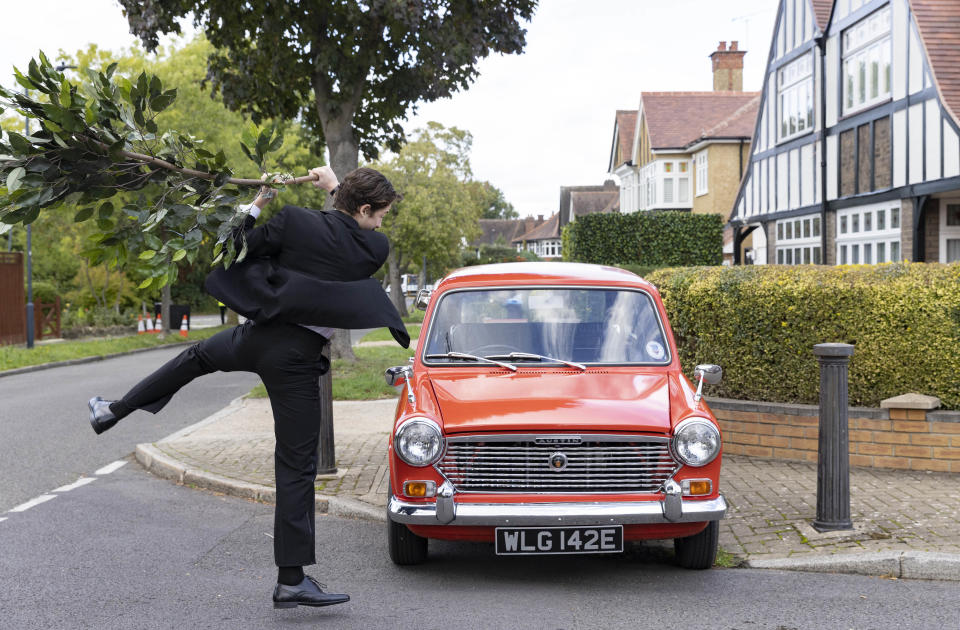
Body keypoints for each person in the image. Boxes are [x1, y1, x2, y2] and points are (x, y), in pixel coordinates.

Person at [87, 165, 408, 610]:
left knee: (197, 357)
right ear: (367, 209)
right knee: (295, 467)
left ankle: (112, 410)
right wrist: (335, 184)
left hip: (256, 337)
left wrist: (258, 201)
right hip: (294, 358)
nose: (380, 225)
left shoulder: (294, 221)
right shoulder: (373, 247)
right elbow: (349, 230)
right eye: (380, 215)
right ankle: (291, 580)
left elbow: (236, 246)